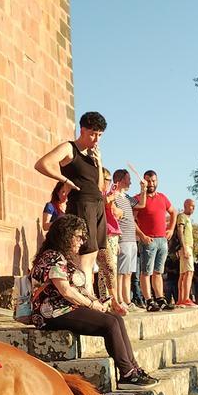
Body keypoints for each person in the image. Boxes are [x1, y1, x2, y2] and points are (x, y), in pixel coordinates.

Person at [30, 214, 157, 387]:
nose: (82, 241)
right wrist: (91, 305)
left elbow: (77, 289)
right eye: (79, 237)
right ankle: (127, 374)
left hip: (65, 308)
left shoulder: (61, 257)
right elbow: (66, 291)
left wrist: (105, 303)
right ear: (65, 235)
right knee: (109, 324)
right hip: (52, 313)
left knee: (116, 319)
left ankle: (133, 369)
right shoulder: (52, 257)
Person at [34, 111, 122, 309]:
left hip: (97, 204)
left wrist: (98, 163)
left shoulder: (92, 155)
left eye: (100, 135)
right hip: (81, 204)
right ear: (82, 130)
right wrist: (65, 180)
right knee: (82, 253)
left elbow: (99, 186)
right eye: (93, 133)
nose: (96, 138)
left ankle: (90, 297)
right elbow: (41, 164)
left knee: (93, 254)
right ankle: (86, 301)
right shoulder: (69, 148)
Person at [132, 170, 176, 312]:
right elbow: (131, 219)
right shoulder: (138, 198)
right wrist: (141, 235)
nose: (151, 184)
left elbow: (173, 212)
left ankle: (160, 299)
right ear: (143, 182)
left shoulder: (162, 197)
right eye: (148, 181)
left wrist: (171, 229)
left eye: (153, 181)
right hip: (148, 240)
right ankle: (149, 300)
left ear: (157, 181)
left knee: (158, 272)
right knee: (146, 272)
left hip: (162, 240)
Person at [108, 169, 141, 310]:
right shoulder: (113, 195)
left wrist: (143, 189)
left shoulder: (126, 197)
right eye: (128, 179)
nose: (130, 182)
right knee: (121, 272)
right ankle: (119, 300)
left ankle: (127, 301)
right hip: (122, 238)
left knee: (128, 272)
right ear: (120, 180)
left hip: (132, 239)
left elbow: (141, 205)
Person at [175, 199, 198, 306]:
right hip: (186, 246)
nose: (193, 208)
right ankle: (185, 298)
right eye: (191, 206)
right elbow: (180, 231)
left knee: (184, 273)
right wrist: (184, 247)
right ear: (186, 205)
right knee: (188, 272)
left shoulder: (187, 218)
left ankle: (181, 298)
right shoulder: (182, 217)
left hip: (188, 246)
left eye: (194, 207)